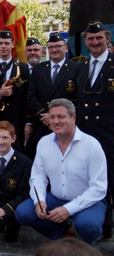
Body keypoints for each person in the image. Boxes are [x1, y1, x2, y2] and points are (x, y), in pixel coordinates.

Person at [15, 99, 108, 246]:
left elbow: (99, 188)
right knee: (23, 213)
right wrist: (40, 200)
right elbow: (37, 177)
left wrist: (67, 209)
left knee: (88, 225)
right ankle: (63, 234)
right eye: (52, 117)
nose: (56, 121)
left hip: (89, 201)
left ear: (73, 118)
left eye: (61, 117)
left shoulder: (92, 145)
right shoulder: (44, 143)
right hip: (56, 197)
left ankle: (86, 248)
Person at [74, 20, 114, 240]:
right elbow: (78, 100)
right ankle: (100, 225)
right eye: (91, 38)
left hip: (110, 135)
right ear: (86, 42)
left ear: (107, 39)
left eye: (99, 38)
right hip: (87, 135)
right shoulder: (80, 67)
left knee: (110, 182)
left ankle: (107, 226)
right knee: (92, 181)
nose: (95, 42)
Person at [27, 32, 77, 157]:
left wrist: (55, 117)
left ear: (66, 48)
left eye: (58, 46)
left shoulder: (76, 68)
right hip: (43, 124)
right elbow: (31, 96)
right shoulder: (39, 69)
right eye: (51, 47)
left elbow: (77, 97)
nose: (54, 50)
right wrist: (45, 117)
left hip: (65, 125)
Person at [0, 29, 31, 150]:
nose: (3, 46)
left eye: (6, 43)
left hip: (17, 120)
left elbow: (28, 96)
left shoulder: (23, 68)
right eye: (0, 43)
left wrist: (28, 122)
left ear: (12, 44)